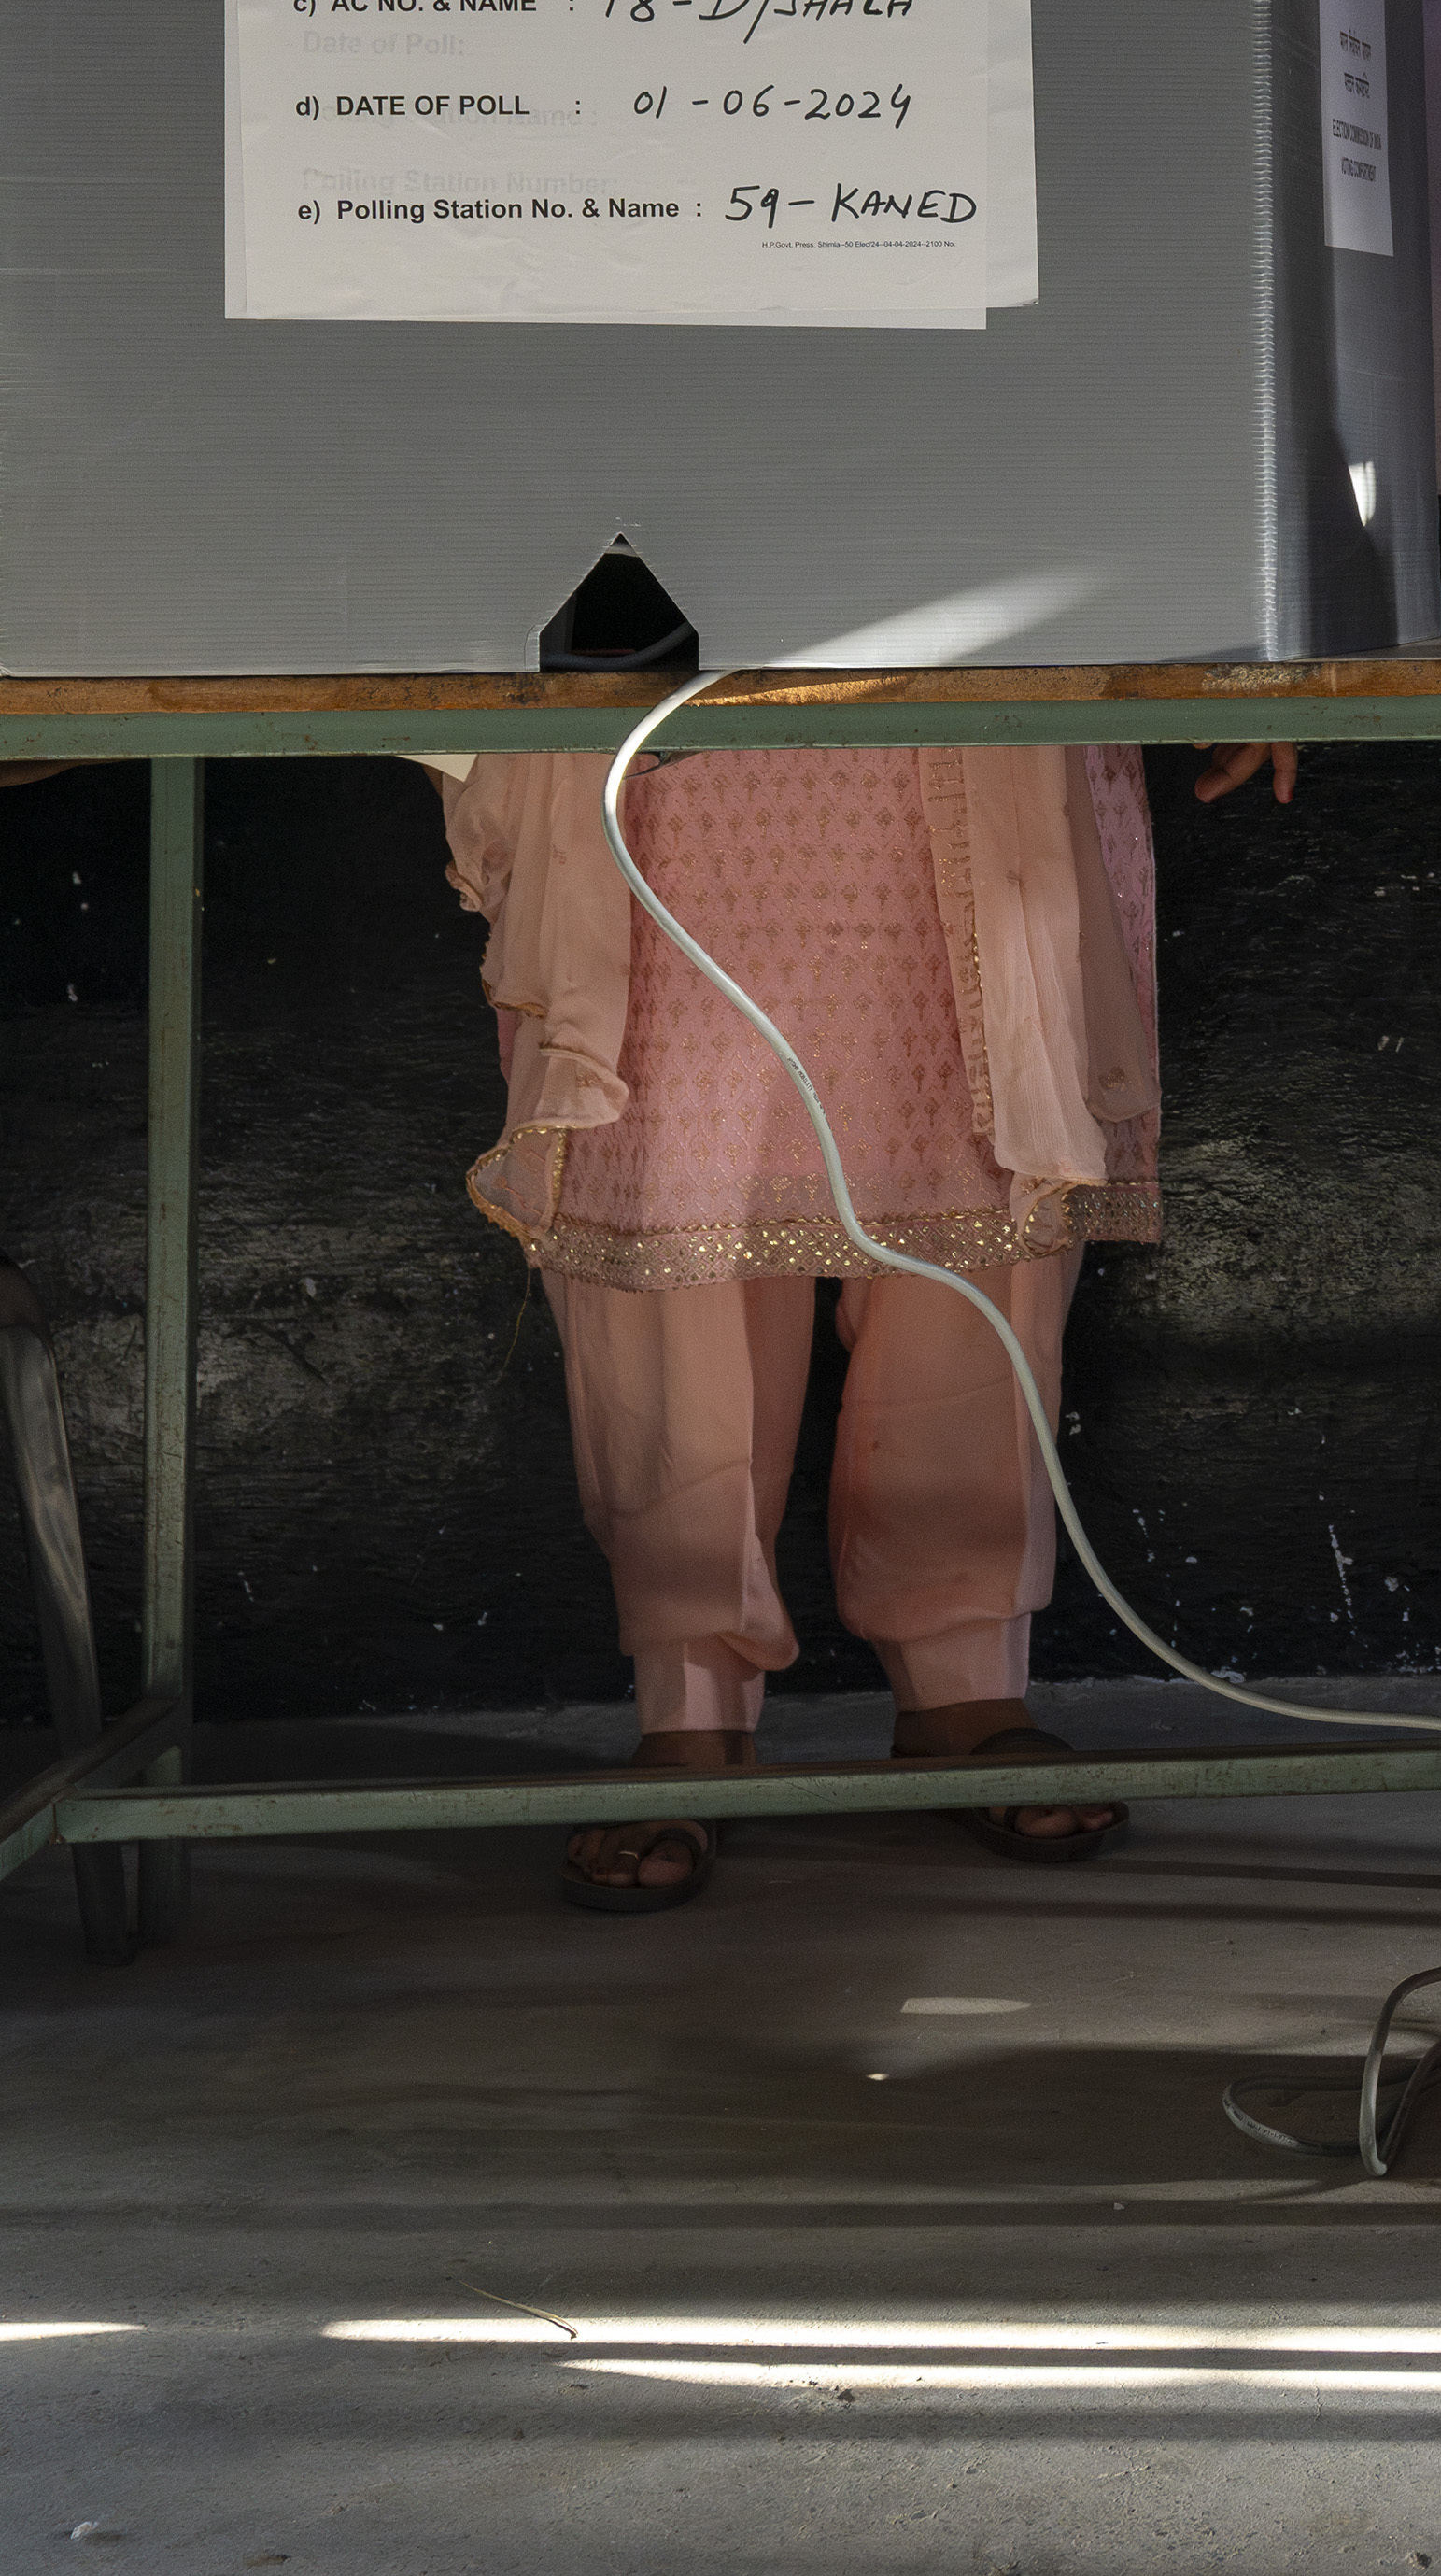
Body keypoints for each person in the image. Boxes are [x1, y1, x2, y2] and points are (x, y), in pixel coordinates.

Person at [430, 733, 1296, 1905]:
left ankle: (966, 1682)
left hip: (969, 701)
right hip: (677, 733)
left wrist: (1230, 626)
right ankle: (689, 1709)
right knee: (669, 1218)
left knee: (990, 1201)